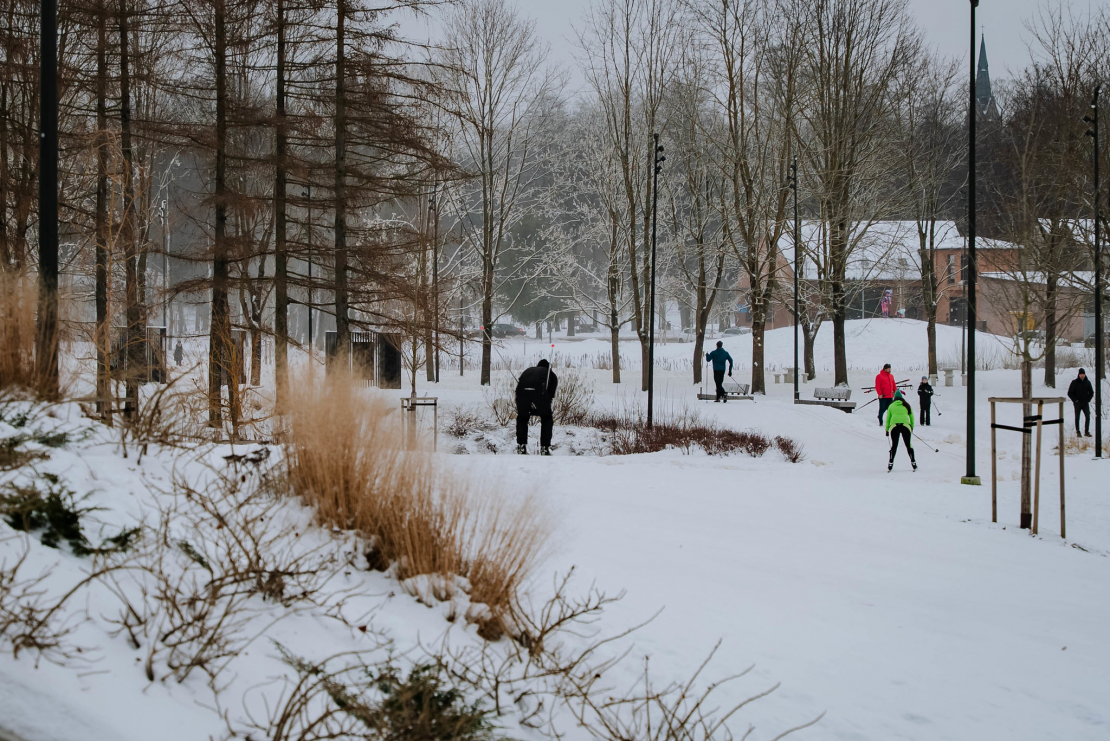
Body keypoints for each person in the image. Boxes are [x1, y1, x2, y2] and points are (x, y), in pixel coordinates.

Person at [515, 359, 558, 455]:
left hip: (521, 393)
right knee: (547, 418)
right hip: (540, 393)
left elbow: (518, 389)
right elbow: (550, 395)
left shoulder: (528, 370)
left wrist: (528, 409)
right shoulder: (550, 374)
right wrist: (541, 410)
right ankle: (544, 448)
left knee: (522, 418)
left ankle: (521, 447)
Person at [885, 390, 916, 472]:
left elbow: (888, 419)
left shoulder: (891, 406)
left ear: (895, 398)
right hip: (905, 425)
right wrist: (911, 427)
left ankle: (890, 463)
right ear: (902, 398)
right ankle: (913, 462)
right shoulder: (906, 405)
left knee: (894, 445)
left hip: (894, 426)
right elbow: (912, 417)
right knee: (908, 445)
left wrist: (887, 430)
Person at [1067, 368, 1094, 437]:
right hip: (1077, 403)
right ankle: (1078, 431)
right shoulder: (1074, 382)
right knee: (1077, 417)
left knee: (1087, 416)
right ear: (1078, 375)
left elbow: (1091, 392)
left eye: (1083, 374)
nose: (1082, 376)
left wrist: (1088, 399)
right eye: (1081, 374)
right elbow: (1070, 393)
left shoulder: (1087, 382)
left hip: (1085, 403)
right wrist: (1075, 400)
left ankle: (1086, 431)